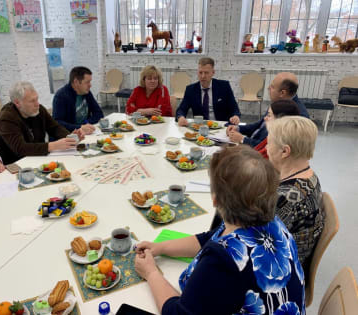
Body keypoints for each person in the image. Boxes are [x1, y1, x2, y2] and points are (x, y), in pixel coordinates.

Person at [134, 145, 305, 315]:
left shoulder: (222, 261)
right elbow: (210, 237)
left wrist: (151, 273)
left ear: (215, 200)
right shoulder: (270, 221)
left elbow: (178, 313)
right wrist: (160, 247)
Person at [267, 116, 325, 270]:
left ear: (285, 151)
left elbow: (255, 241)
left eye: (268, 143)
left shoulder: (286, 198)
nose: (266, 148)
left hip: (281, 272)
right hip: (293, 260)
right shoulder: (310, 177)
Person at [0, 81, 84, 164]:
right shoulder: (6, 118)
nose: (37, 104)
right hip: (15, 165)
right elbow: (21, 149)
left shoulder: (38, 110)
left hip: (37, 158)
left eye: (36, 99)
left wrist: (70, 137)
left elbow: (55, 128)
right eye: (32, 101)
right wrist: (53, 145)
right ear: (17, 103)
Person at [227, 72, 309, 147]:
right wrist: (238, 128)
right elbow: (259, 125)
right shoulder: (278, 103)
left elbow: (272, 148)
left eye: (272, 87)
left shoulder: (298, 117)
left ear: (282, 93)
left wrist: (243, 140)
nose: (268, 88)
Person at [176, 57, 241, 126]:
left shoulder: (224, 86)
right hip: (200, 127)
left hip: (220, 126)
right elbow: (181, 110)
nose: (203, 76)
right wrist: (181, 117)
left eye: (206, 73)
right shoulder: (191, 89)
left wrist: (235, 116)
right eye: (200, 72)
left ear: (213, 73)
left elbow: (235, 109)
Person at [52, 66, 104, 134]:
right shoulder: (61, 96)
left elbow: (99, 113)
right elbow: (57, 122)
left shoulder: (86, 92)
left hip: (85, 133)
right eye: (87, 82)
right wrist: (79, 127)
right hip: (69, 135)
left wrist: (85, 123)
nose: (90, 85)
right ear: (76, 82)